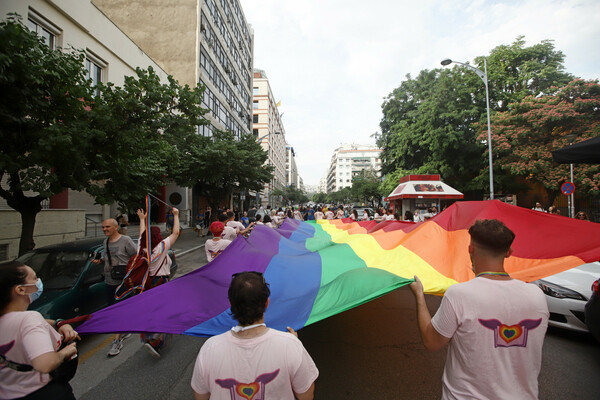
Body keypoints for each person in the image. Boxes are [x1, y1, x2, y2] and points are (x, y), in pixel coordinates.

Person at [409, 219, 549, 399]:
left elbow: (432, 341)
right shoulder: (537, 296)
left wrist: (419, 295)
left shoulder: (460, 295)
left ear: (470, 249)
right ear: (509, 252)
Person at [191, 271, 319, 400]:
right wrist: (293, 344)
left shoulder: (209, 349)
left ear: (231, 304)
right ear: (266, 303)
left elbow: (201, 396)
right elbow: (306, 396)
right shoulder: (290, 346)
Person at [0, 261, 80, 400]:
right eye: (34, 278)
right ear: (20, 289)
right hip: (43, 393)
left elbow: (41, 323)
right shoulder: (29, 318)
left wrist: (58, 323)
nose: (38, 282)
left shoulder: (15, 319)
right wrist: (66, 352)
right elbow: (45, 364)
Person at [135, 207, 180, 358]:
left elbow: (142, 235)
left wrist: (142, 219)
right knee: (166, 312)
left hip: (146, 283)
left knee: (150, 310)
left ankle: (146, 335)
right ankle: (156, 341)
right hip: (161, 282)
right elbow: (175, 233)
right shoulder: (160, 248)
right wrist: (176, 215)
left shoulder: (141, 248)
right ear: (158, 237)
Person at [91, 218, 136, 357]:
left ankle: (116, 341)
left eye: (107, 227)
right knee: (113, 310)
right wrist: (101, 261)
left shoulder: (126, 240)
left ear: (115, 227)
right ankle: (125, 329)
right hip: (109, 280)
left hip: (122, 281)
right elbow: (108, 257)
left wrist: (130, 271)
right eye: (103, 227)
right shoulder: (105, 242)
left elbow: (135, 256)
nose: (105, 229)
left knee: (118, 311)